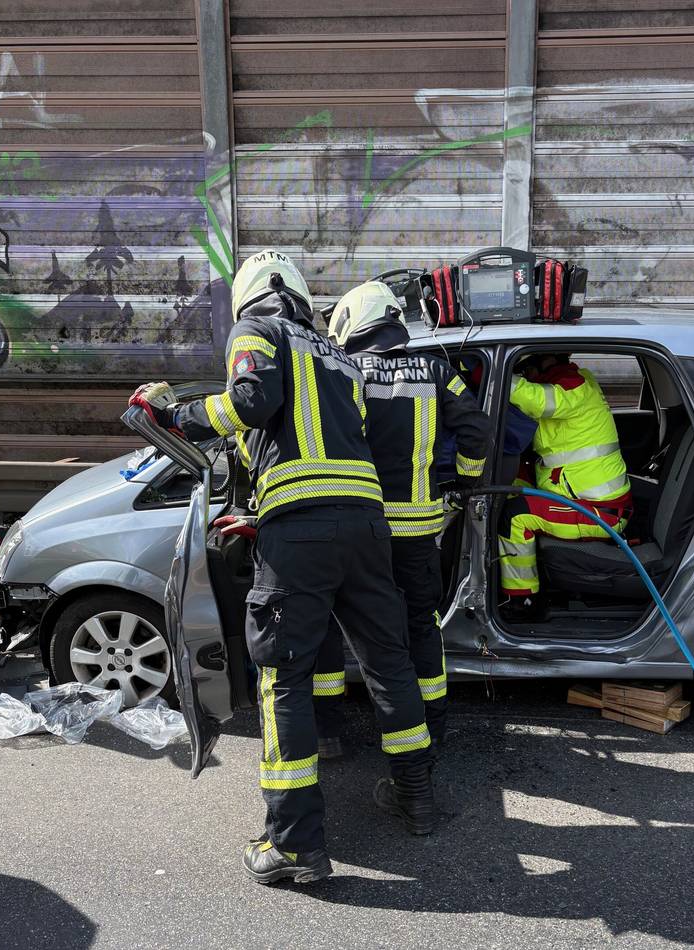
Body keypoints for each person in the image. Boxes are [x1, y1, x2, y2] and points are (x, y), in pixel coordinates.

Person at [128, 251, 435, 887]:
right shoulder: (337, 355)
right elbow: (321, 443)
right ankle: (417, 799)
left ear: (249, 296)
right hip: (366, 525)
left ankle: (294, 845)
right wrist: (264, 514)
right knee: (389, 663)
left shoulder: (256, 330)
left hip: (302, 535)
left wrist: (175, 416)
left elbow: (250, 402)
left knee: (285, 679)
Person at [323, 280, 491, 748]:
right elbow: (476, 429)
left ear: (352, 323)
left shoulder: (345, 370)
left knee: (341, 621)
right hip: (418, 528)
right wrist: (464, 479)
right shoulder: (436, 371)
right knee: (421, 624)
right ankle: (430, 726)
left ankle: (329, 731)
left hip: (362, 526)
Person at [498, 353, 631, 621]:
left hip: (598, 512)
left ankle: (523, 601)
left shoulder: (571, 385)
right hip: (586, 500)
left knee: (515, 515)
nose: (526, 377)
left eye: (527, 370)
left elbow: (535, 400)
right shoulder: (568, 381)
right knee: (510, 484)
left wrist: (493, 376)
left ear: (544, 363)